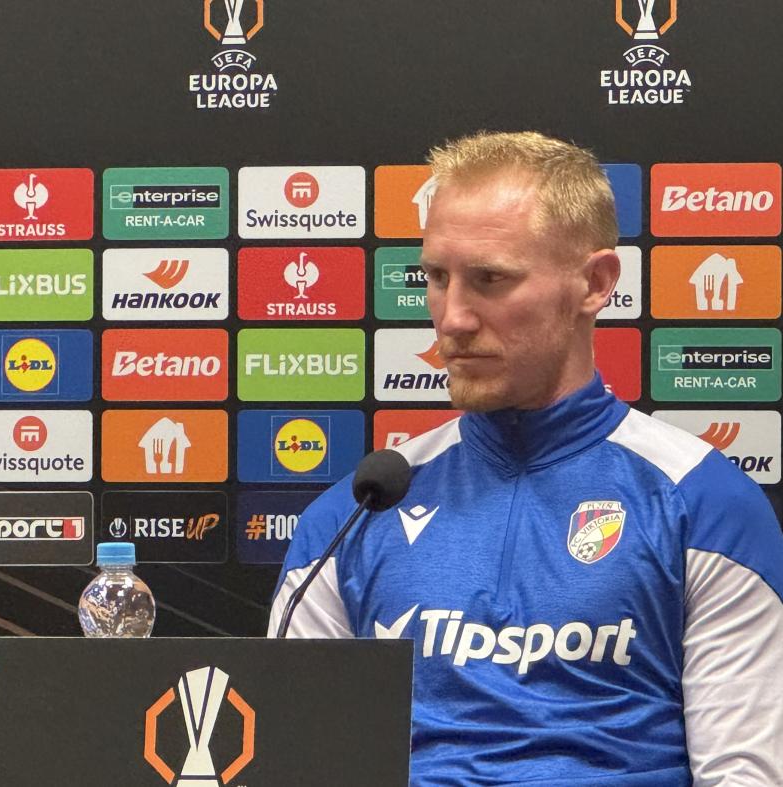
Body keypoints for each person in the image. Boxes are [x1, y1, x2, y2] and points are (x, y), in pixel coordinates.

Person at [270, 131, 783, 785]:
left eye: (491, 279)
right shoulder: (352, 514)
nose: (453, 319)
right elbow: (297, 764)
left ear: (595, 283)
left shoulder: (703, 504)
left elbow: (744, 774)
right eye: (436, 278)